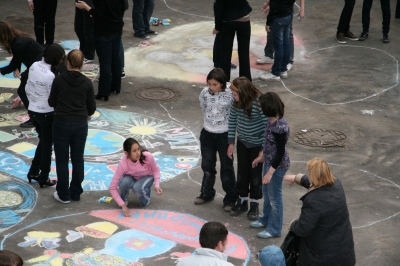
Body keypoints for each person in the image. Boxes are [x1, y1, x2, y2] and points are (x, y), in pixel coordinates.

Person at [283, 158, 356, 265]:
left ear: (313, 176)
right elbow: (317, 184)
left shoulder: (313, 201)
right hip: (343, 251)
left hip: (321, 257)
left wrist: (293, 224)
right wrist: (297, 178)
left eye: (309, 173)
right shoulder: (337, 185)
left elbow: (303, 229)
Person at [48, 49, 96, 204]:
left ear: (67, 63)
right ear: (82, 65)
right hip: (80, 124)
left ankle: (63, 194)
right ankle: (75, 192)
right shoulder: (87, 82)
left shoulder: (59, 80)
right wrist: (86, 112)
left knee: (62, 160)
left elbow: (51, 102)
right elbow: (92, 108)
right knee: (77, 158)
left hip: (61, 122)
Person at [195, 68, 237, 212]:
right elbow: (203, 108)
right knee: (207, 166)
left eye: (214, 85)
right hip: (207, 133)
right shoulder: (204, 93)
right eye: (209, 84)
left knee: (227, 167)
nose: (211, 88)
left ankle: (231, 198)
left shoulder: (230, 95)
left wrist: (231, 140)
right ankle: (207, 193)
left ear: (222, 84)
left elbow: (233, 116)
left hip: (224, 135)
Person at [227, 77, 268, 220]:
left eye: (235, 94)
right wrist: (231, 142)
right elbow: (232, 120)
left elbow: (267, 128)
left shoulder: (259, 103)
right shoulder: (235, 103)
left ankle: (255, 203)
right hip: (243, 143)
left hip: (257, 145)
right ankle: (242, 200)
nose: (233, 96)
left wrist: (263, 150)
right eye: (232, 94)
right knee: (242, 172)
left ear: (244, 93)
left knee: (255, 174)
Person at [251, 92, 290, 239]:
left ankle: (275, 229)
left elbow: (280, 153)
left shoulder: (280, 127)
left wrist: (270, 173)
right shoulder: (271, 120)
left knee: (275, 197)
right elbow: (267, 142)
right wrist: (262, 155)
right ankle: (265, 219)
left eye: (262, 107)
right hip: (269, 161)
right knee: (267, 193)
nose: (261, 109)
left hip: (277, 166)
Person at [25, 44, 65, 188]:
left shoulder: (35, 65)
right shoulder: (50, 76)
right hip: (46, 114)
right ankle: (44, 177)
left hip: (33, 110)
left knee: (43, 142)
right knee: (47, 146)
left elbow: (28, 87)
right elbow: (52, 98)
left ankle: (34, 171)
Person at [75, 0, 125, 101]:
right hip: (117, 27)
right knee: (116, 58)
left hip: (104, 31)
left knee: (105, 62)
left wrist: (85, 6)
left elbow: (98, 14)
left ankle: (104, 92)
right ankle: (116, 86)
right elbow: (123, 6)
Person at [0, 20, 44, 128]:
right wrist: (17, 68)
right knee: (25, 87)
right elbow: (17, 59)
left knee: (23, 90)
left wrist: (2, 70)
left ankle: (34, 119)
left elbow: (13, 64)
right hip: (37, 64)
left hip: (39, 65)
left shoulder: (18, 44)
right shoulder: (17, 39)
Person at [109, 138, 163, 216]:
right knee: (124, 182)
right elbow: (112, 187)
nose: (138, 153)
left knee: (138, 189)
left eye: (138, 149)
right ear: (126, 153)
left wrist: (157, 184)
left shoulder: (147, 156)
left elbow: (156, 169)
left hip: (147, 176)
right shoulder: (123, 164)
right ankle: (123, 199)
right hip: (132, 177)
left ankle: (146, 195)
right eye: (134, 151)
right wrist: (123, 205)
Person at [260, 0, 304, 81]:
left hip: (278, 18)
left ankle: (275, 73)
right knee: (286, 43)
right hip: (288, 15)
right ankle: (283, 69)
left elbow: (274, 8)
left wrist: (268, 23)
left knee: (279, 46)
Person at [214, 0, 253, 81]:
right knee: (244, 53)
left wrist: (217, 26)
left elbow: (218, 6)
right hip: (243, 19)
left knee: (225, 54)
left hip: (227, 21)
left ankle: (224, 81)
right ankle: (245, 81)